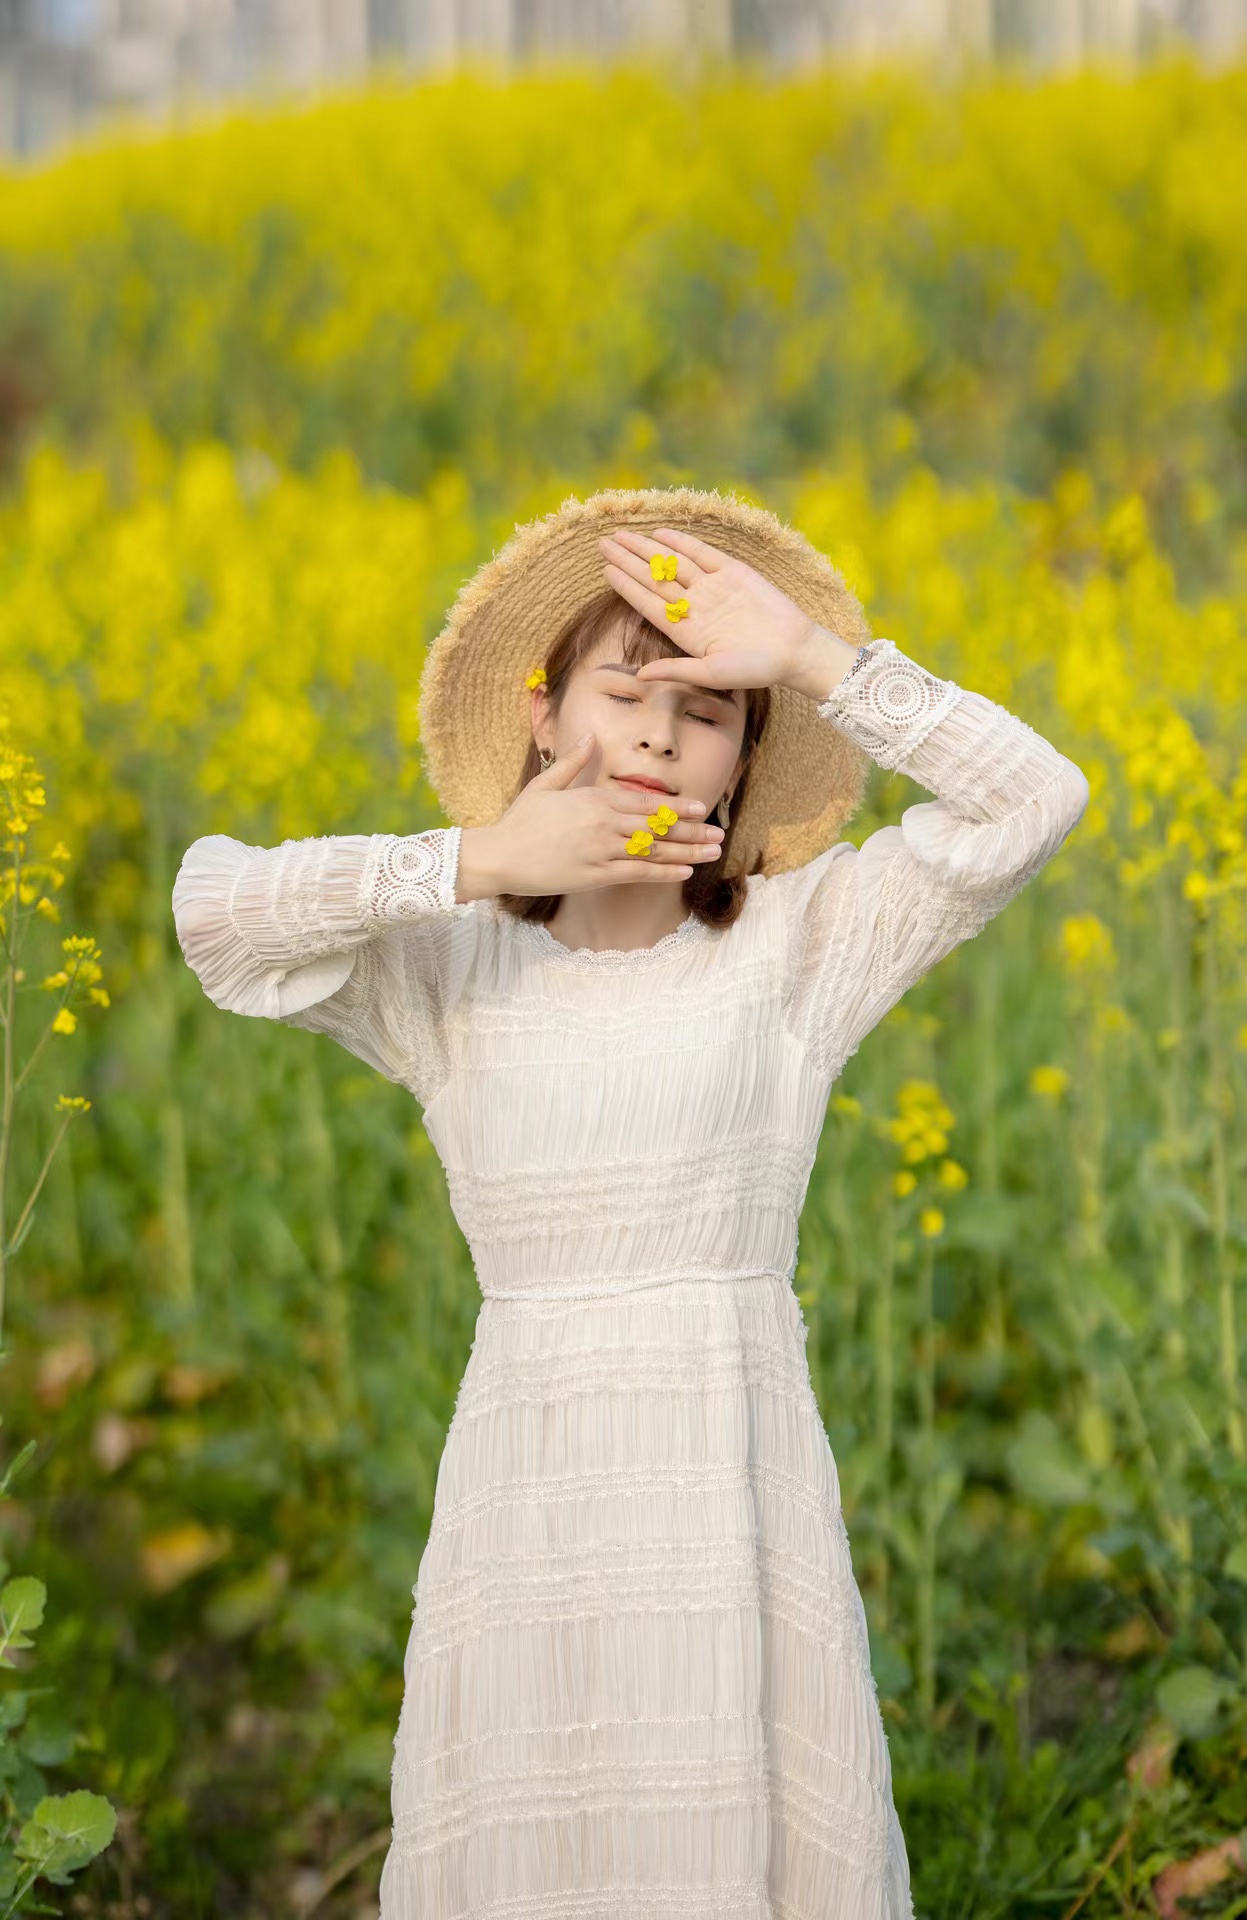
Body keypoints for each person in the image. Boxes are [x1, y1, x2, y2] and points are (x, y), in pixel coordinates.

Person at [172, 486, 1089, 1919]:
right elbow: (213, 917)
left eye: (710, 707)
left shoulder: (799, 947)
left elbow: (1039, 799)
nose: (661, 733)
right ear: (544, 715)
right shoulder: (450, 965)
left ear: (742, 761)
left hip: (730, 1487)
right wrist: (476, 862)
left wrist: (805, 653)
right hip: (526, 1494)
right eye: (625, 688)